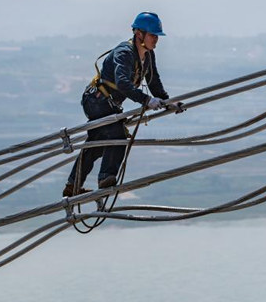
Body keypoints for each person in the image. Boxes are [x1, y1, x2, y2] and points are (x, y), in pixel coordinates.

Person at [63, 12, 179, 197]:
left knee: (96, 145)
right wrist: (147, 101)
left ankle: (72, 186)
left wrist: (168, 102)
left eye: (157, 36)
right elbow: (123, 82)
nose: (156, 39)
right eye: (152, 35)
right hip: (97, 101)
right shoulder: (124, 53)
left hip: (107, 104)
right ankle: (106, 177)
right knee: (117, 136)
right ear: (139, 34)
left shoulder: (148, 56)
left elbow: (153, 82)